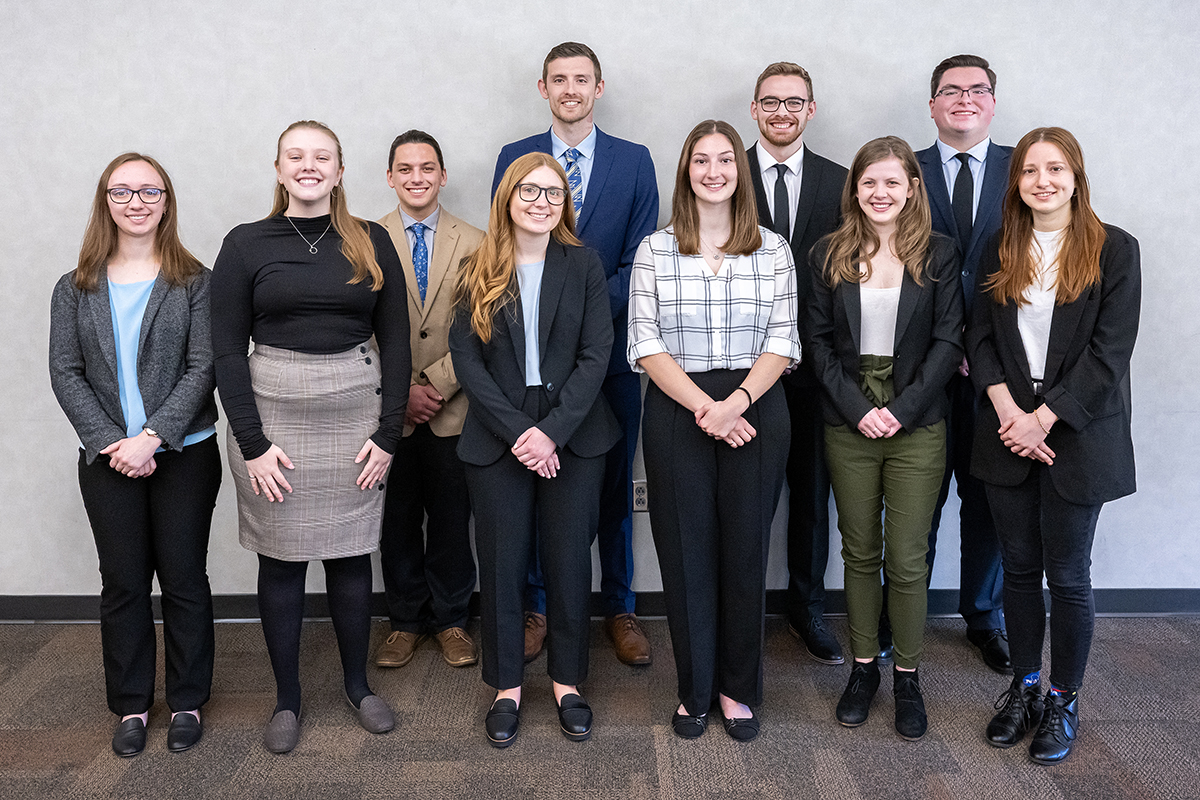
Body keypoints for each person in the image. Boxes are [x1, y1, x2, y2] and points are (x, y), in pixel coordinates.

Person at [210, 120, 410, 754]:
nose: (308, 165)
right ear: (277, 168)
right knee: (282, 560)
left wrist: (388, 434)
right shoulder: (244, 244)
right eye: (295, 156)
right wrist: (251, 442)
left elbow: (399, 343)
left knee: (352, 556)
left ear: (340, 170)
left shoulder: (371, 239)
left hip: (356, 415)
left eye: (321, 156)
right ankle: (288, 698)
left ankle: (358, 686)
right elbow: (224, 352)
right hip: (271, 422)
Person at [969, 127, 1139, 764]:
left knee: (1067, 576)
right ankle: (1025, 686)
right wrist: (1011, 412)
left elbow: (1108, 356)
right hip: (1007, 428)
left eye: (1055, 169)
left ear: (1076, 176)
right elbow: (978, 337)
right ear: (1016, 182)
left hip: (1077, 433)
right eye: (1030, 171)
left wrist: (1044, 419)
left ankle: (1063, 699)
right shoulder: (1000, 246)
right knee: (1016, 571)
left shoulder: (1115, 250)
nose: (1042, 181)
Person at [628, 120, 799, 742]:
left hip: (758, 408)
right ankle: (694, 690)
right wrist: (709, 407)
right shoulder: (656, 249)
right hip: (679, 410)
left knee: (745, 553)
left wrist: (738, 403)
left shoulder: (774, 250)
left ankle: (737, 690)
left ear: (739, 171)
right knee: (685, 554)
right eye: (701, 160)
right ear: (686, 172)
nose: (714, 171)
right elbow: (644, 342)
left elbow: (784, 340)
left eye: (725, 159)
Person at [492, 41, 659, 666]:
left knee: (613, 486)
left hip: (607, 359)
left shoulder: (634, 161)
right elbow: (503, 253)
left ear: (599, 87)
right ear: (543, 88)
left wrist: (582, 317)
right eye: (558, 80)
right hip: (525, 365)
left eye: (581, 80)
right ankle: (537, 607)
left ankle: (619, 606)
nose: (570, 89)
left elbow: (637, 263)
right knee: (534, 480)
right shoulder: (516, 159)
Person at [49, 152, 221, 757]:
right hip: (106, 458)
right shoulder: (74, 287)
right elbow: (65, 373)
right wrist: (111, 443)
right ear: (106, 203)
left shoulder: (195, 281)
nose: (137, 202)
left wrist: (152, 437)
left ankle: (188, 700)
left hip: (184, 453)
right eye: (123, 192)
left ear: (167, 202)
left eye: (150, 191)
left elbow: (205, 368)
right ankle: (129, 706)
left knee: (182, 578)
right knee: (122, 582)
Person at [450, 152, 619, 748]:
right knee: (501, 565)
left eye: (553, 192)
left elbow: (598, 353)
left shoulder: (585, 265)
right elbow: (467, 362)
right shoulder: (477, 267)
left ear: (563, 202)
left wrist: (552, 432)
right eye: (530, 190)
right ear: (507, 197)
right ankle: (506, 687)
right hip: (499, 433)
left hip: (574, 431)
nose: (541, 201)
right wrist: (522, 430)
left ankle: (568, 682)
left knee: (570, 562)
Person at [807, 136, 963, 741]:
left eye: (892, 183)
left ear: (912, 189)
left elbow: (950, 342)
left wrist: (899, 410)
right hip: (848, 420)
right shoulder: (829, 253)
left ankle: (907, 675)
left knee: (906, 557)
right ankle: (864, 669)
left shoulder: (940, 255)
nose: (880, 193)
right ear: (855, 189)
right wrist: (857, 409)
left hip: (917, 421)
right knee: (859, 551)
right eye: (869, 182)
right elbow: (816, 342)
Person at [746, 61, 848, 665]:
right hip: (741, 368)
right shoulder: (726, 178)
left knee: (813, 495)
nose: (782, 112)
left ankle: (806, 609)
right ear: (754, 110)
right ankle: (742, 609)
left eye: (794, 102)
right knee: (747, 496)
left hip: (818, 370)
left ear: (810, 110)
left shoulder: (841, 183)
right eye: (770, 102)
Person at [915, 54, 1012, 673]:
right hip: (921, 369)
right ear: (932, 105)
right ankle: (907, 615)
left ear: (993, 102)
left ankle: (985, 616)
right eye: (950, 91)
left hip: (1001, 374)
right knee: (917, 499)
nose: (964, 99)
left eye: (977, 90)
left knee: (989, 501)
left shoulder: (1022, 168)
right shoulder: (907, 171)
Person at [374, 130, 484, 671]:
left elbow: (485, 325)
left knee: (449, 520)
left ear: (443, 175)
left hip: (455, 408)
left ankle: (453, 620)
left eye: (427, 168)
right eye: (405, 168)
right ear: (389, 177)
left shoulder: (478, 241)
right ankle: (403, 622)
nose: (417, 177)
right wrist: (401, 394)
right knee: (394, 521)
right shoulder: (363, 239)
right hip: (387, 413)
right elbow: (358, 328)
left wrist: (438, 385)